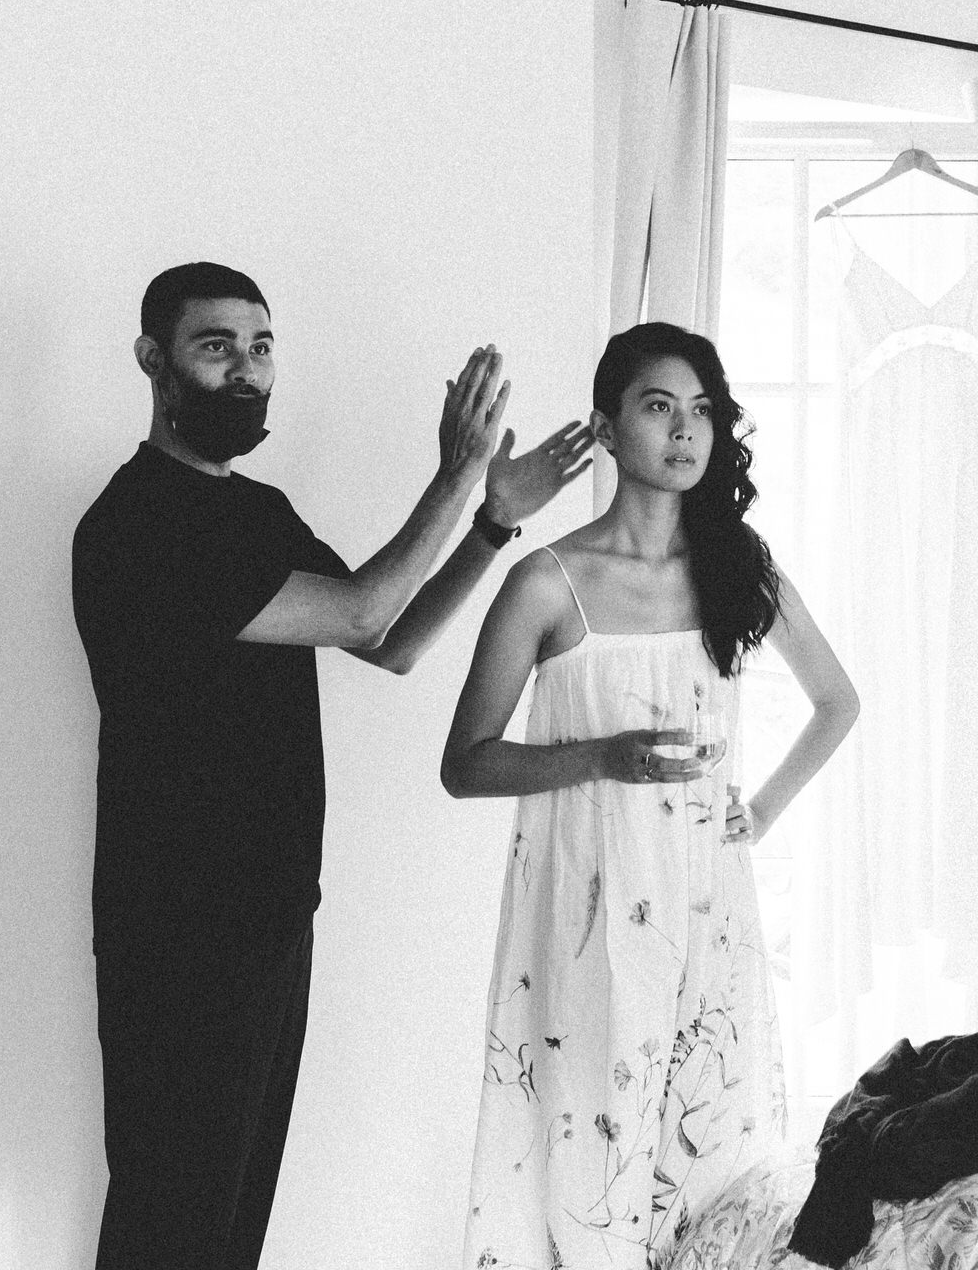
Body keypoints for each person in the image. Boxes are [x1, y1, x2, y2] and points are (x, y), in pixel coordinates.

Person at [70, 261, 594, 1270]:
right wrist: (458, 476)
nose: (246, 369)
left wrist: (491, 524)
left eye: (261, 347)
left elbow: (388, 638)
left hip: (271, 915)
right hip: (176, 928)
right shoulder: (137, 521)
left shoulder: (256, 511)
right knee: (168, 1223)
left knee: (228, 1228)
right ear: (151, 359)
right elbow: (360, 611)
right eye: (215, 346)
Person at [443, 322, 860, 1270]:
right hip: (588, 919)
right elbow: (465, 763)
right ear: (605, 426)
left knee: (712, 1171)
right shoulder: (547, 584)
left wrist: (761, 812)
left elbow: (838, 702)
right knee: (590, 1172)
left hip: (710, 914)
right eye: (658, 406)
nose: (683, 431)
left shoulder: (738, 569)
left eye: (701, 411)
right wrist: (601, 757)